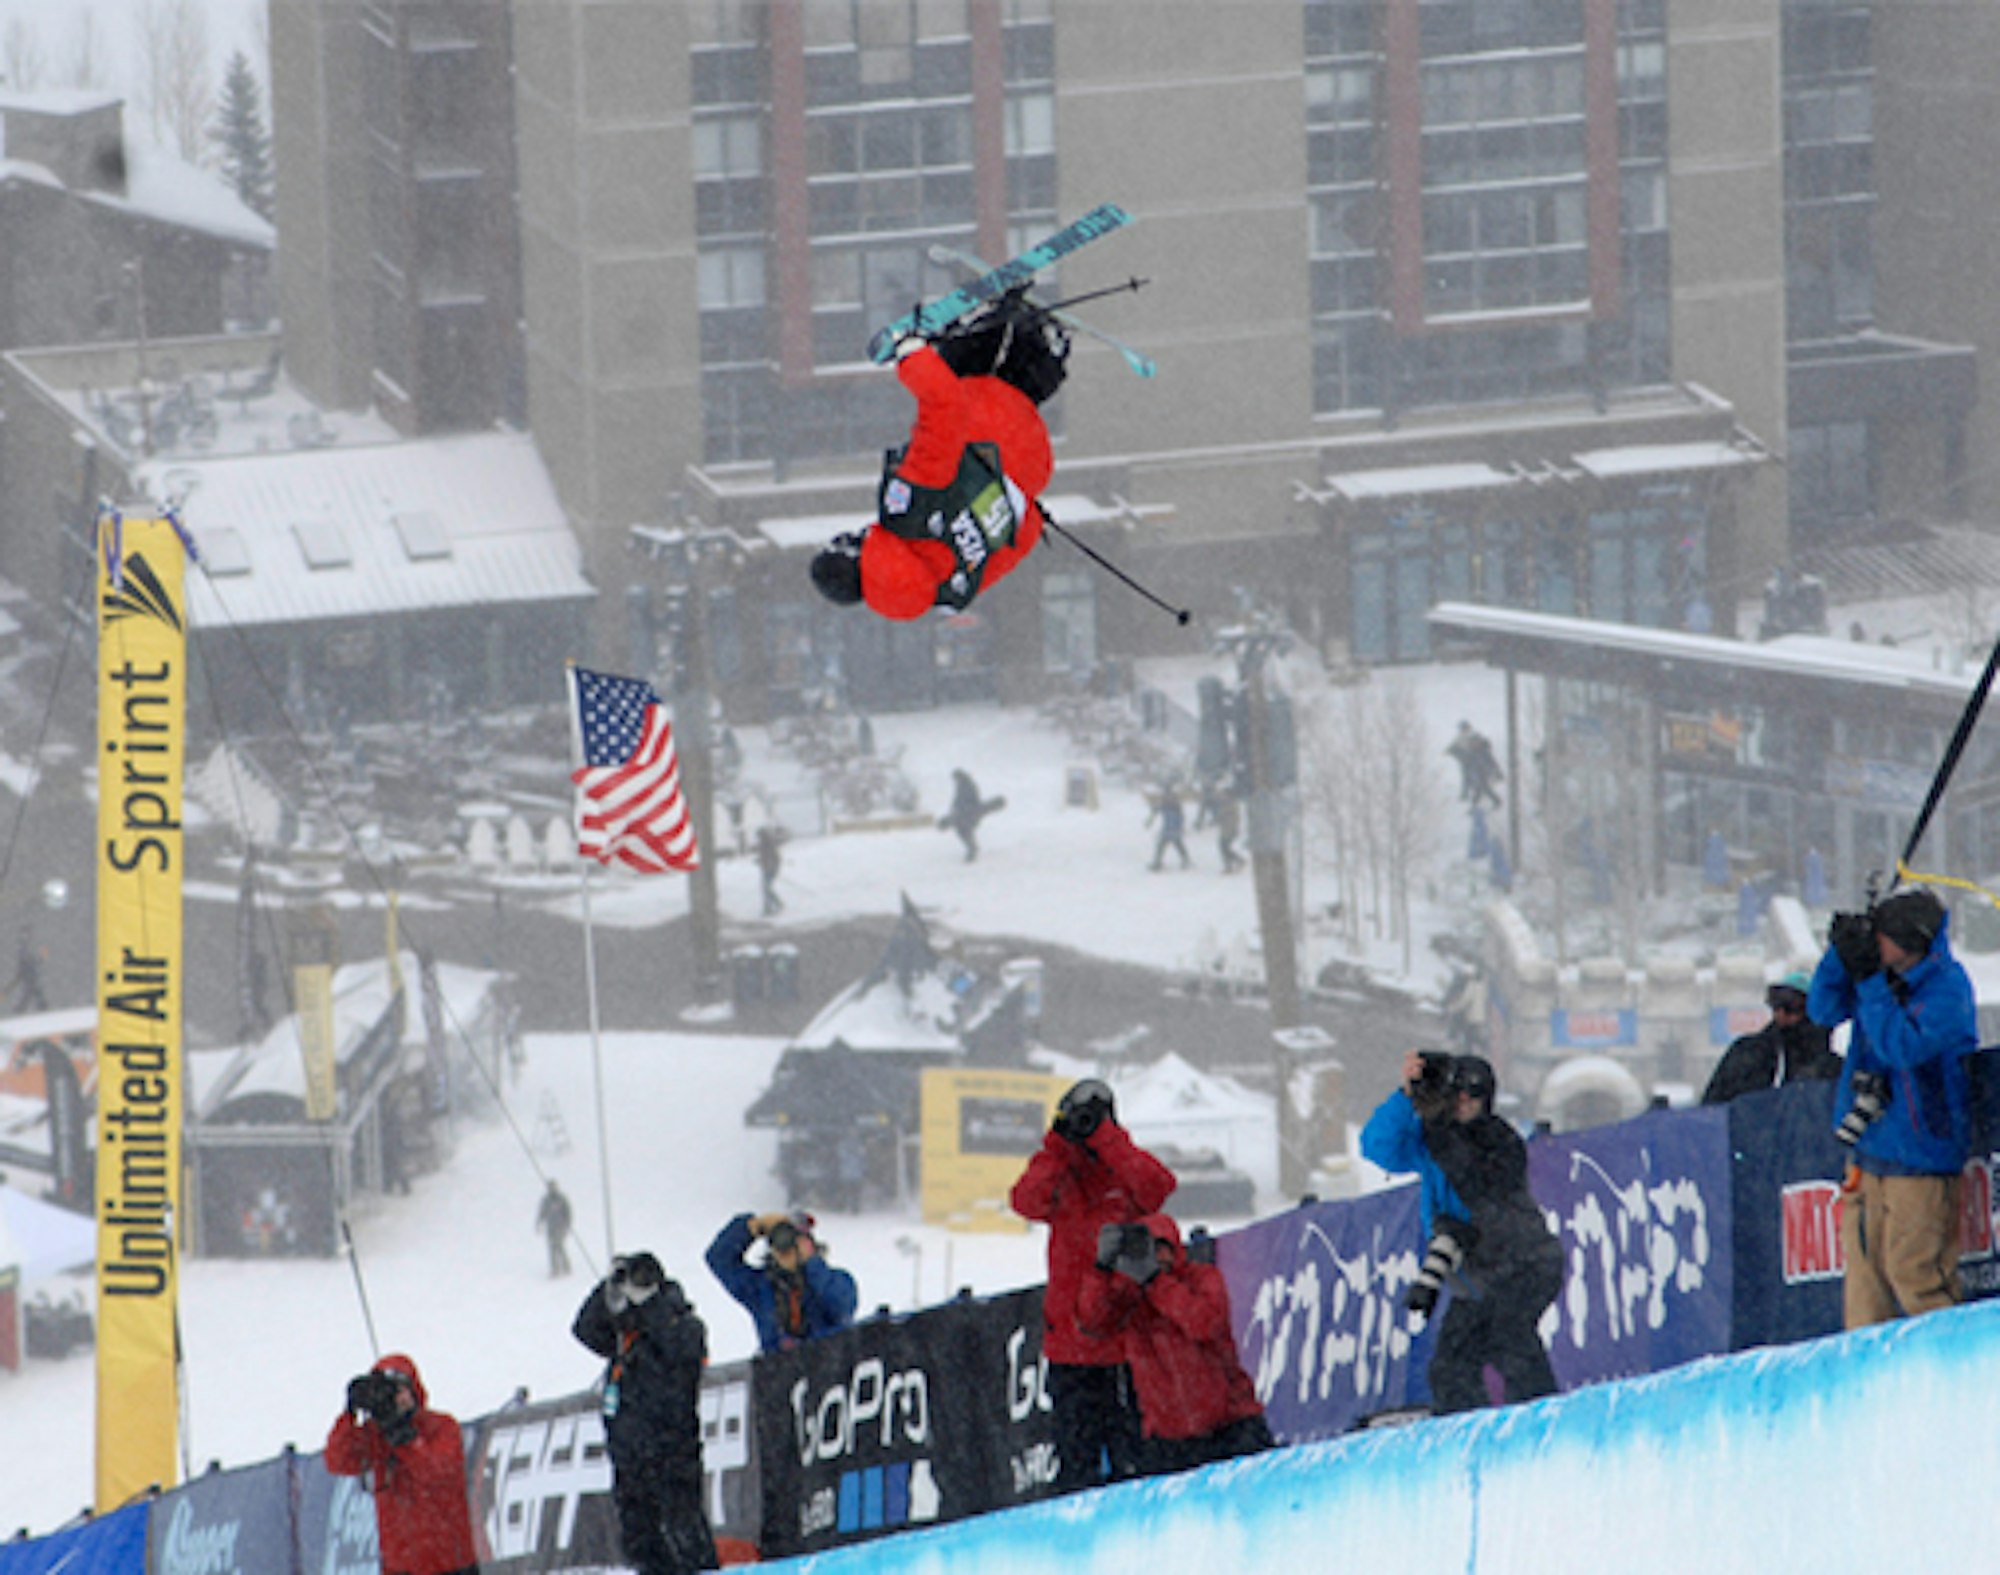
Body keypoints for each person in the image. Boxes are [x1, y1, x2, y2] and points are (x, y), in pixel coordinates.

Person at [808, 294, 1067, 620]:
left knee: (1012, 395)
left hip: (1031, 464)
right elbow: (945, 407)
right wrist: (911, 354)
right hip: (991, 430)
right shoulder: (908, 510)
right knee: (954, 378)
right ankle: (994, 316)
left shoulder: (947, 593)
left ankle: (1046, 351)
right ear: (853, 552)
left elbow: (1016, 544)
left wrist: (1020, 506)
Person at [1809, 885, 1976, 1329]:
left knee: (1917, 1277)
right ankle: (1868, 1366)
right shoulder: (1878, 980)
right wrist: (1840, 956)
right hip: (1870, 1150)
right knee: (1866, 1286)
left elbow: (1902, 1046)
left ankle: (1950, 1362)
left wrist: (1869, 982)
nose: (1875, 946)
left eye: (1880, 937)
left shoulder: (1948, 989)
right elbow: (1823, 1010)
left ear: (1909, 942)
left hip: (1922, 1156)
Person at [1361, 1051, 1562, 1415]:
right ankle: (1473, 1430)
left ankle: (1544, 1421)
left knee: (1509, 1340)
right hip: (1477, 1274)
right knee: (1450, 1367)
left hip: (1525, 1265)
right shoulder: (1432, 1138)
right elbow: (1377, 1146)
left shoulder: (1499, 1140)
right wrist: (1406, 1095)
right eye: (1458, 1093)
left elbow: (1489, 1203)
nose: (1465, 1102)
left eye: (1475, 1095)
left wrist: (1456, 1240)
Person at [1009, 1078, 1177, 1493]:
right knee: (1076, 1468)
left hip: (1125, 1344)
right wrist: (1058, 1145)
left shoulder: (1123, 1165)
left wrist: (1107, 1139)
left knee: (1134, 1462)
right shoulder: (1060, 1169)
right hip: (1071, 1346)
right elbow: (1025, 1201)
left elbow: (1158, 1188)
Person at [1075, 1211, 1273, 1476]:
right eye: (1144, 1250)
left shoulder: (1202, 1278)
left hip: (1231, 1427)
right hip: (1170, 1443)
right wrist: (1101, 1270)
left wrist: (1156, 1283)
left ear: (1175, 1248)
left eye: (1159, 1248)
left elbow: (1204, 1323)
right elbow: (1091, 1323)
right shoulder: (1130, 1298)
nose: (1154, 1257)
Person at [572, 1254, 718, 1575]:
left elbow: (677, 1353)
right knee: (640, 1541)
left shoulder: (683, 1324)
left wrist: (650, 1303)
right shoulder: (625, 1332)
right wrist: (608, 1289)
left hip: (673, 1451)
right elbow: (584, 1330)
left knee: (685, 1533)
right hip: (630, 1455)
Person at [325, 1354, 481, 1575]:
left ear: (414, 1390)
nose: (395, 1400)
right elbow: (338, 1460)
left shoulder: (442, 1427)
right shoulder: (376, 1436)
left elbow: (436, 1472)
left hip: (451, 1565)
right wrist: (349, 1414)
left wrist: (405, 1438)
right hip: (399, 1568)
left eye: (399, 1390)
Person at [705, 1209, 858, 1352]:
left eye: (791, 1243)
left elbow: (841, 1308)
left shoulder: (836, 1280)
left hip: (828, 1361)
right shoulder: (760, 1288)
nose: (784, 1251)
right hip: (779, 1367)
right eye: (777, 1243)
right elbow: (718, 1259)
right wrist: (753, 1227)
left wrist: (812, 1263)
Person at [1700, 971, 1841, 1105]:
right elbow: (1712, 1110)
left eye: (1792, 1007)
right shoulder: (1749, 1053)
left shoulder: (1830, 1067)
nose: (1781, 1015)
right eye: (1776, 1006)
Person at [938, 768, 999, 863]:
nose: (955, 781)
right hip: (965, 813)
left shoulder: (968, 786)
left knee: (963, 829)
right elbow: (959, 799)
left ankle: (972, 850)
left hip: (969, 813)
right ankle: (972, 849)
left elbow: (972, 800)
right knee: (962, 830)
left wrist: (962, 808)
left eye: (955, 778)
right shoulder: (961, 785)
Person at [1445, 722, 1503, 810]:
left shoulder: (1483, 751)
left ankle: (1496, 802)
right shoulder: (1471, 751)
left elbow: (1492, 762)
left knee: (1483, 788)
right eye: (1472, 743)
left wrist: (1497, 772)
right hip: (1476, 772)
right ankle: (1474, 806)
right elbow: (1461, 754)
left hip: (1484, 772)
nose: (1474, 744)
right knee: (1478, 788)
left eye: (1476, 743)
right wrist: (1454, 751)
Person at [1146, 781, 1190, 872]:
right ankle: (1185, 860)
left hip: (1172, 828)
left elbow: (1179, 816)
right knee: (1175, 844)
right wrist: (1150, 820)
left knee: (1168, 845)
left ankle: (1158, 863)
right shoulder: (1168, 802)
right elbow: (1156, 810)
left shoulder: (1173, 804)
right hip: (1169, 828)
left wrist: (1179, 827)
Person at [537, 1179, 573, 1278]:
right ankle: (555, 1269)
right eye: (550, 1187)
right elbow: (542, 1213)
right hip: (550, 1227)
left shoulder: (561, 1199)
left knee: (559, 1246)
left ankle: (566, 1266)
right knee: (552, 1248)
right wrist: (539, 1223)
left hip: (560, 1227)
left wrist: (567, 1224)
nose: (551, 1189)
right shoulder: (546, 1200)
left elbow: (568, 1212)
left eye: (553, 1187)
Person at [754, 824, 785, 917]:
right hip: (766, 869)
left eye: (759, 836)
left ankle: (770, 907)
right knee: (766, 888)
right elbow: (765, 857)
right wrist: (759, 860)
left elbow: (776, 857)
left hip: (770, 870)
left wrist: (771, 866)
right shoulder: (763, 845)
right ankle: (775, 905)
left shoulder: (768, 844)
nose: (758, 838)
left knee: (766, 888)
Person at [1212, 788, 1244, 874]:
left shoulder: (1231, 805)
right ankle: (1238, 861)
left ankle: (1230, 866)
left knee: (1224, 848)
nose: (1222, 796)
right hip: (1226, 829)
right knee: (1224, 848)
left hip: (1230, 830)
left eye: (1224, 794)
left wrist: (1218, 819)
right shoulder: (1226, 804)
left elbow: (1231, 818)